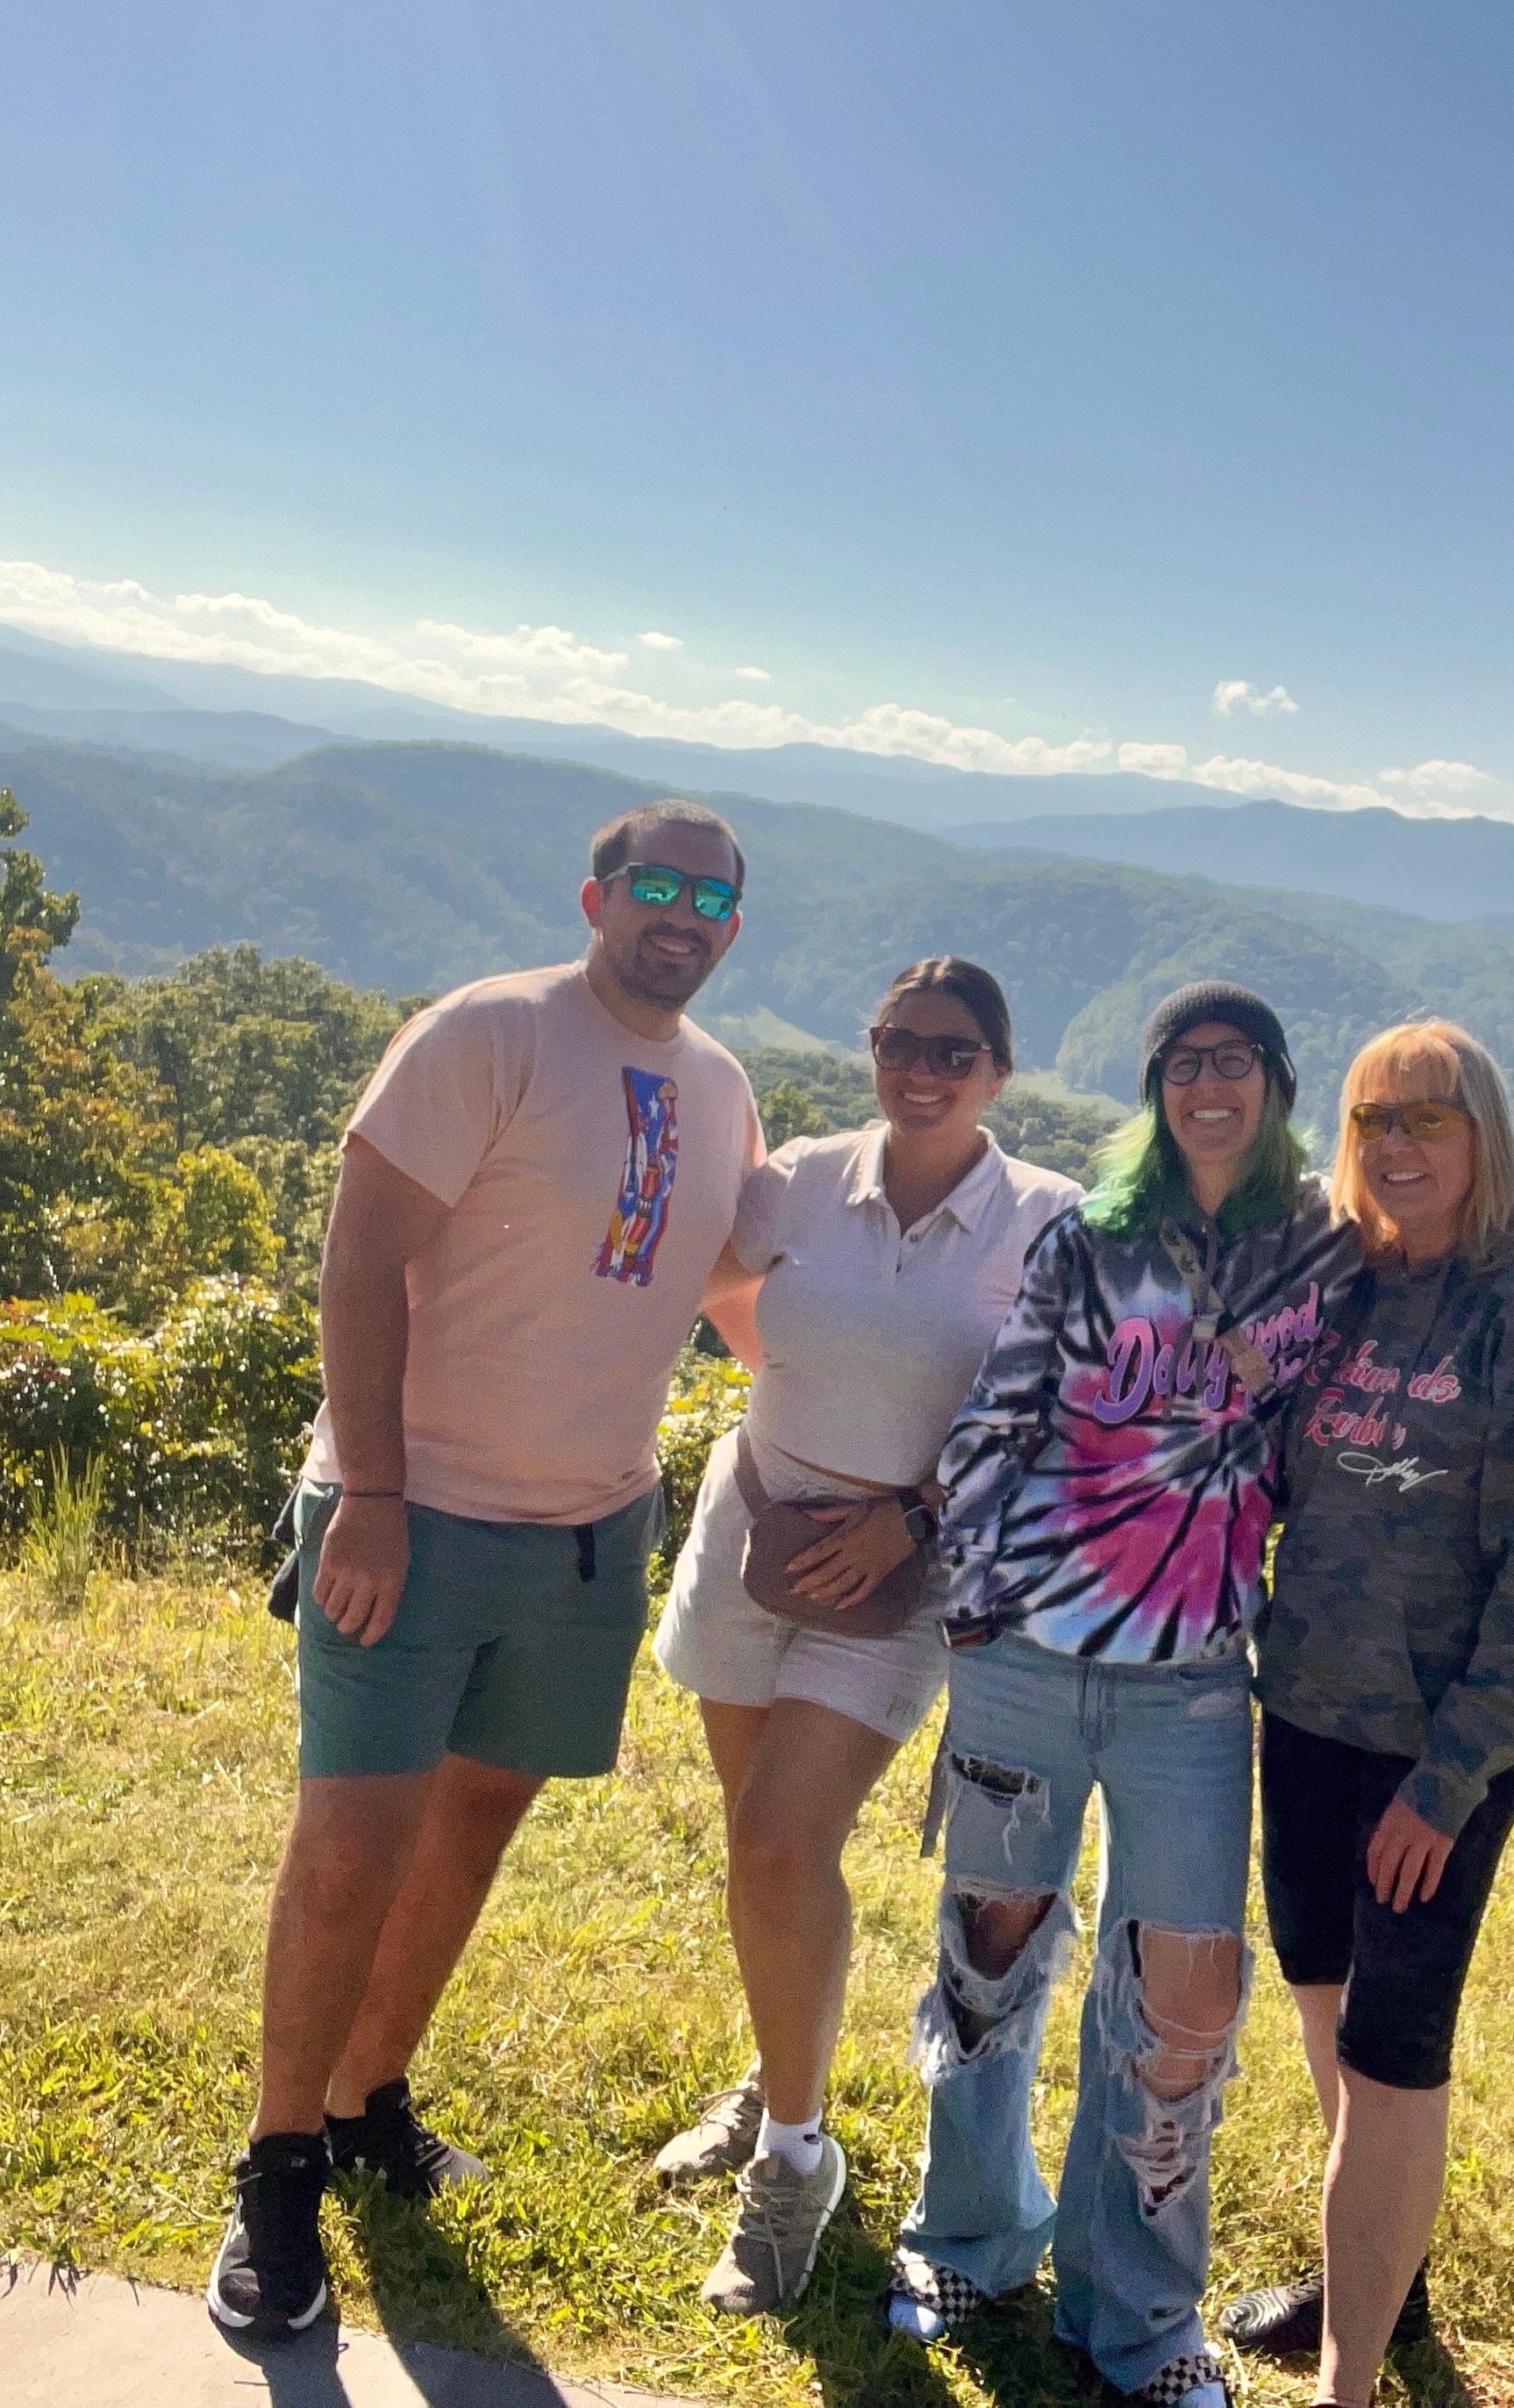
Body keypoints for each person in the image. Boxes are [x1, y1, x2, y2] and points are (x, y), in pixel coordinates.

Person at [209, 799, 770, 2342]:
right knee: (355, 1834)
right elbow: (358, 1256)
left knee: (475, 1817)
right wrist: (374, 1496)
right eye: (653, 885)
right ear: (595, 894)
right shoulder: (489, 1033)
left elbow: (738, 1288)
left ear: (734, 924)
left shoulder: (722, 1093)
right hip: (420, 1512)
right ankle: (277, 2169)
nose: (680, 913)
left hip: (591, 1530)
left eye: (711, 896)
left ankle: (367, 2094)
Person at [891, 982, 1353, 2408]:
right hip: (1028, 1653)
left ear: (1277, 1084)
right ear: (1157, 1089)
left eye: (1236, 1064)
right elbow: (998, 1417)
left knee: (1183, 2000)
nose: (1210, 1088)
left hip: (1196, 1685)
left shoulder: (1331, 1255)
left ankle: (1137, 2310)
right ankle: (969, 2236)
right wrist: (973, 1607)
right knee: (992, 1955)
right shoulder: (1090, 1240)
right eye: (1184, 1066)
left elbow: (1464, 1274)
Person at [645, 957, 1083, 2314]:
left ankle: (795, 2160)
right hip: (756, 1525)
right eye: (902, 1041)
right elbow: (714, 1279)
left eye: (956, 1051)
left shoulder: (1045, 1220)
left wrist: (913, 1507)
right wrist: (790, 1387)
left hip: (901, 1573)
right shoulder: (808, 1178)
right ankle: (787, 2070)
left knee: (783, 1845)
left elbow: (1066, 1412)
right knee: (762, 1858)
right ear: (872, 1047)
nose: (924, 1068)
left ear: (999, 1074)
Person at [1218, 1018, 1514, 2404]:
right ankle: (1376, 2290)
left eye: (1430, 1121)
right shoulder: (1339, 1282)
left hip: (1434, 1746)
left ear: (1483, 1137)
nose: (1398, 1146)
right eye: (1374, 1120)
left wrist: (1447, 1781)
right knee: (1326, 2010)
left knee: (1394, 2057)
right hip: (1311, 1710)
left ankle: (1346, 2383)